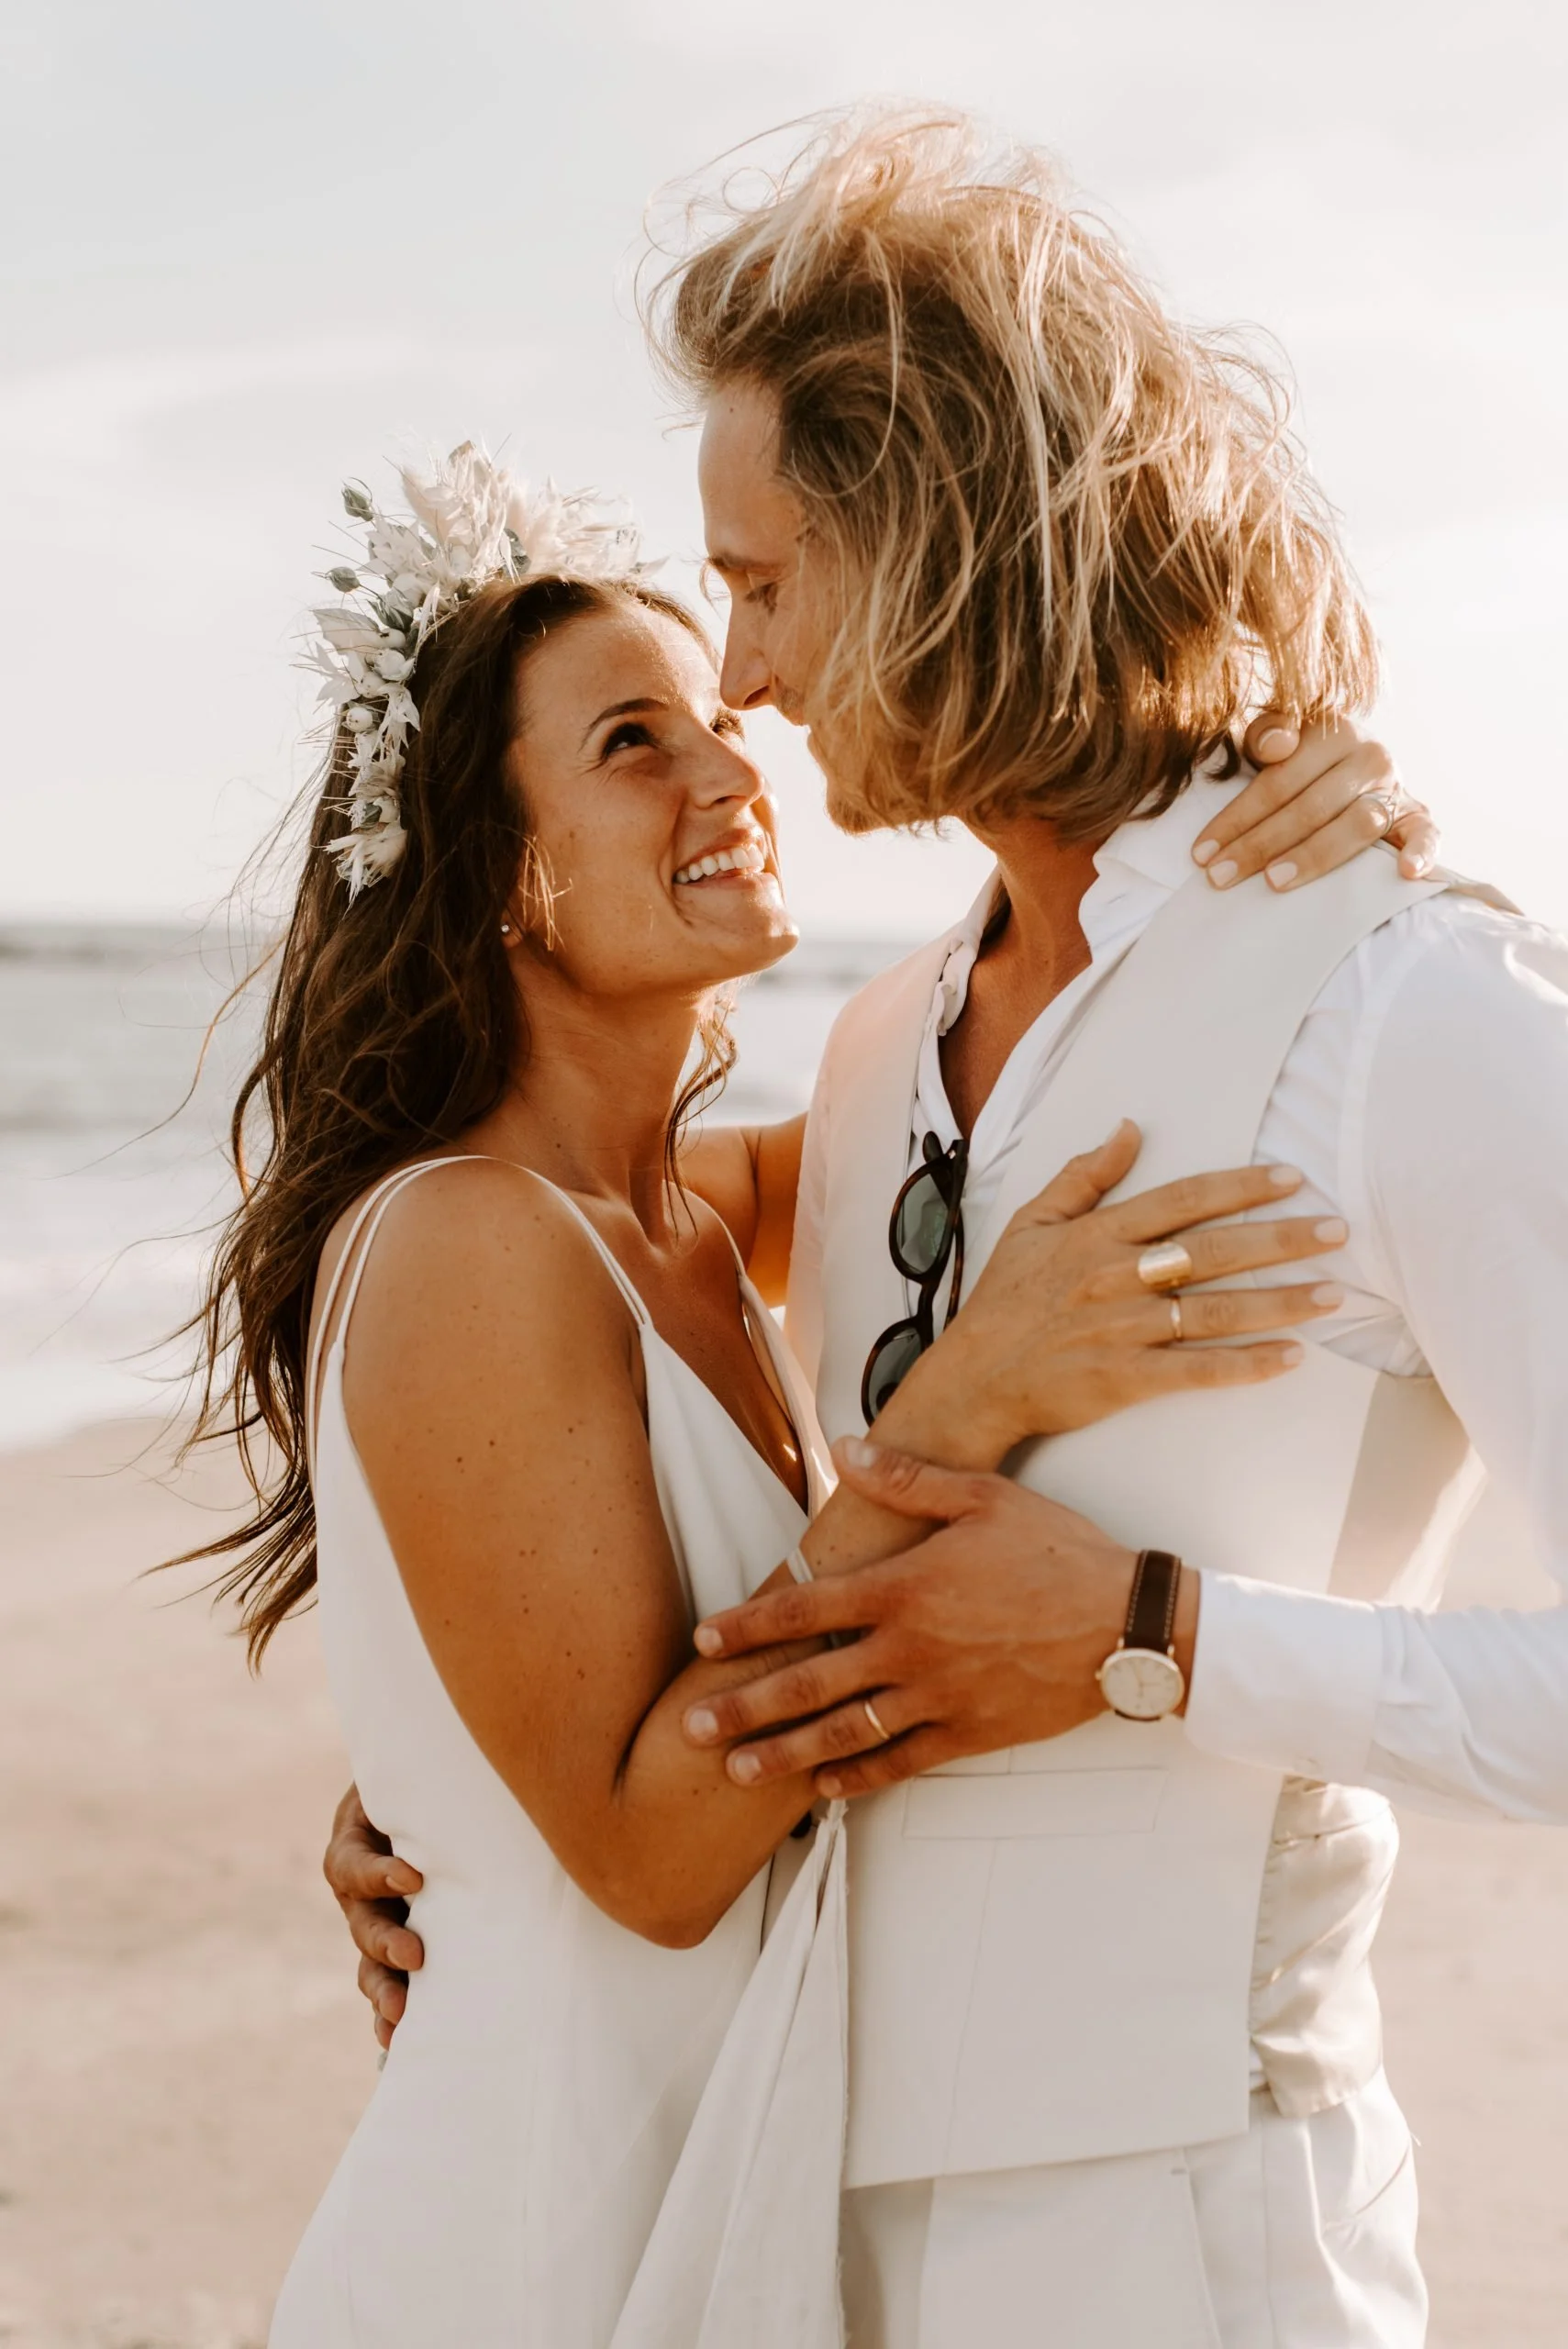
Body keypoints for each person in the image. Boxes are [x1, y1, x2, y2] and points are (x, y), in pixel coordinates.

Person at [325, 112, 1568, 2345]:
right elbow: (515, 1283)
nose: (754, 682)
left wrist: (1161, 1634)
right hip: (809, 2219)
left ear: (939, 544)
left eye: (770, 587)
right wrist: (452, 1768)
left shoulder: (1407, 1006)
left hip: (1197, 2230)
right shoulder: (884, 1044)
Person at [186, 447, 1365, 2347]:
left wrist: (1302, 793)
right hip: (553, 2217)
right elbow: (651, 1853)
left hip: (728, 2165)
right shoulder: (470, 1238)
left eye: (708, 715)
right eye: (633, 742)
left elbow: (998, 1075)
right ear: (494, 868)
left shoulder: (689, 1206)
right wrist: (957, 1406)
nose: (731, 762)